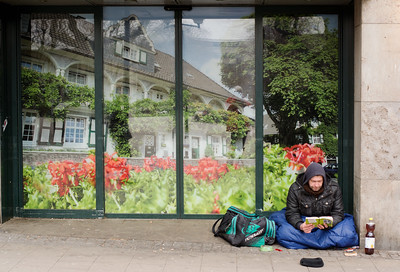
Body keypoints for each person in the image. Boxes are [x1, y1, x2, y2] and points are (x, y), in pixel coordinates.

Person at [285, 162, 344, 233]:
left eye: (319, 181)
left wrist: (330, 224)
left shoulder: (334, 188)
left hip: (327, 224)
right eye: (313, 181)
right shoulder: (295, 189)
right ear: (307, 180)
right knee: (284, 232)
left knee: (347, 232)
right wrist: (300, 225)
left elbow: (338, 213)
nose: (316, 185)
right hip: (303, 220)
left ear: (324, 180)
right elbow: (292, 212)